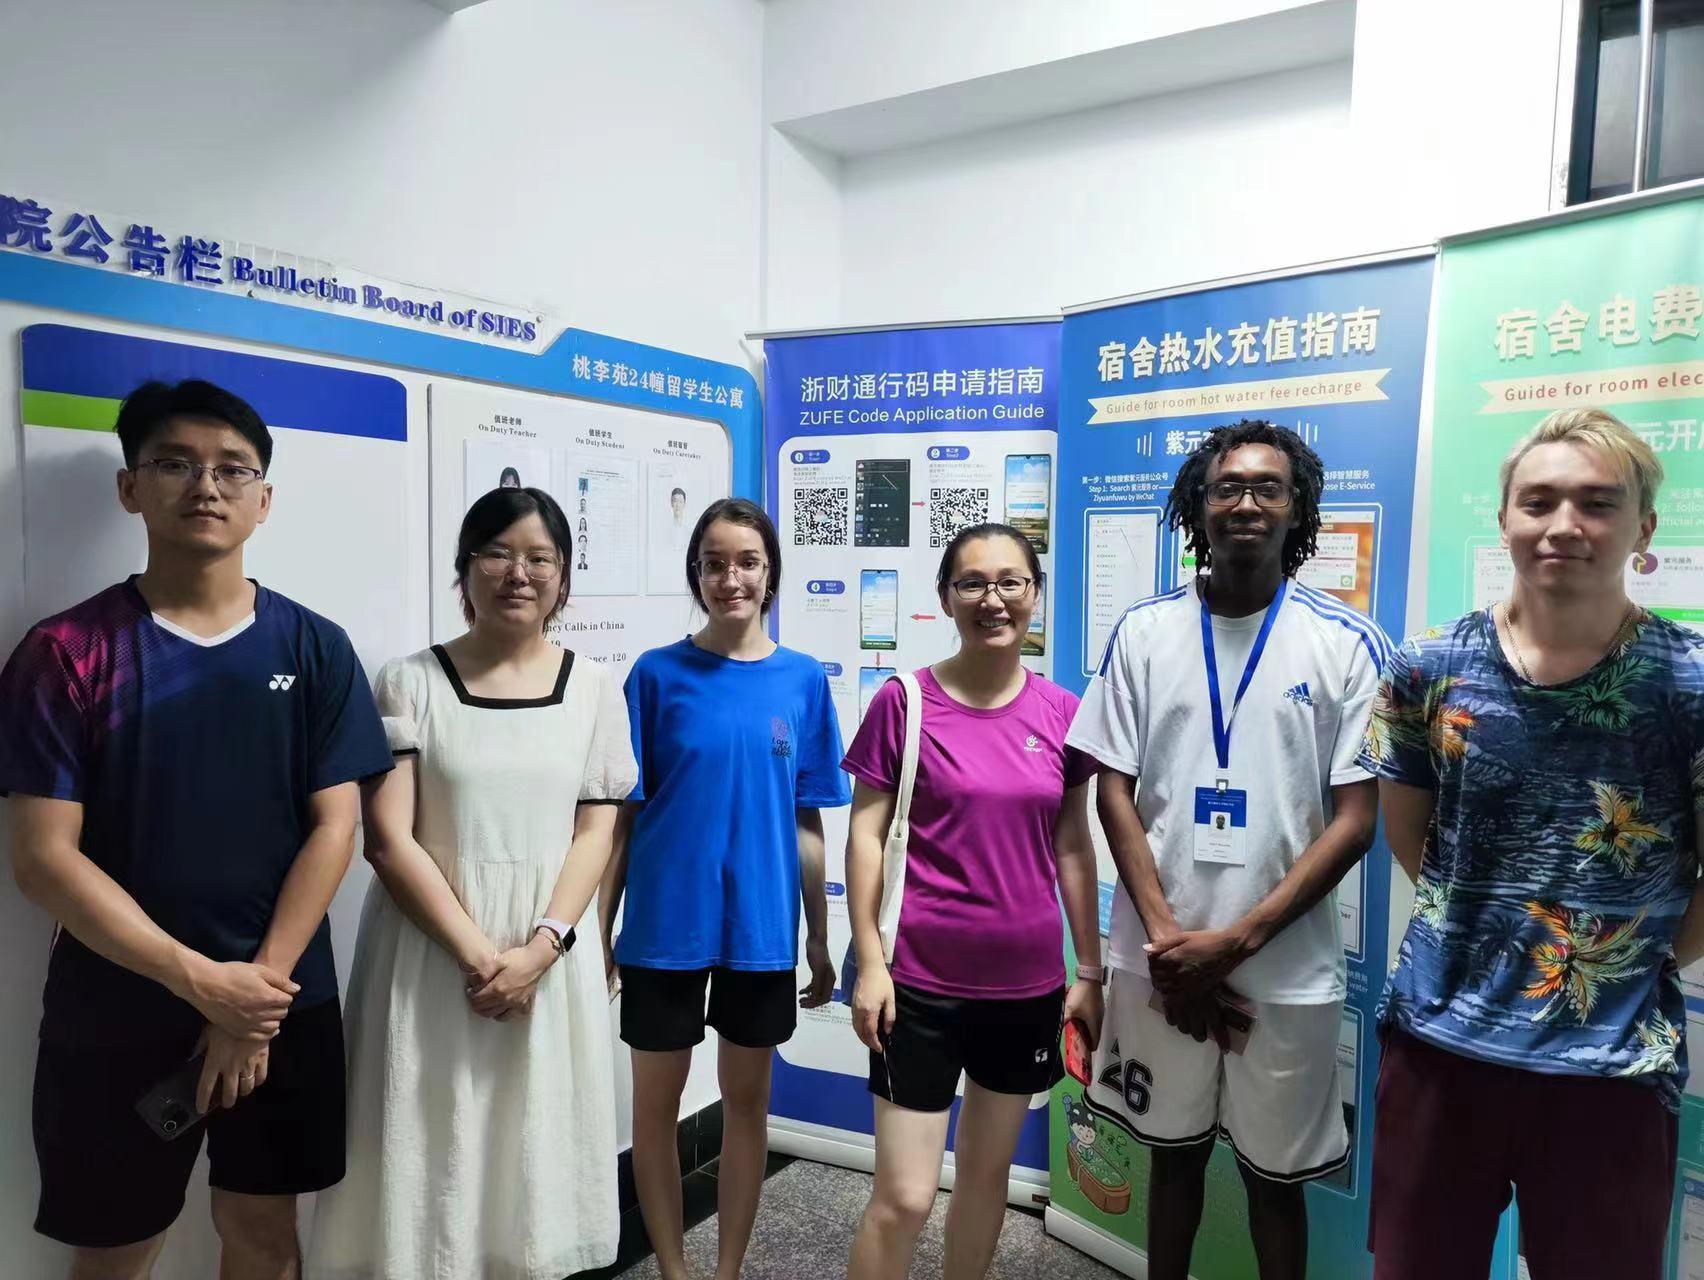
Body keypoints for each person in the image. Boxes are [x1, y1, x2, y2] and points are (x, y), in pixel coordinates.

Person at [0, 379, 392, 1278]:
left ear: (264, 499)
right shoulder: (67, 653)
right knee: (116, 1251)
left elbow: (336, 828)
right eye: (175, 463)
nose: (206, 486)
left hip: (282, 1003)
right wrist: (202, 983)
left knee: (265, 1234)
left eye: (232, 469)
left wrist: (252, 1003)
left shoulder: (314, 647)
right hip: (119, 1010)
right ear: (130, 487)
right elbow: (43, 858)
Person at [1362, 408, 1704, 1280]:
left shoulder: (1690, 680)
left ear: (1644, 528)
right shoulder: (1428, 666)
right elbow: (1412, 836)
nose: (1564, 525)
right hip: (1440, 1048)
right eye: (1539, 501)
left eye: (1597, 503)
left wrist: (1633, 958)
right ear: (1505, 518)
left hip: (1611, 1071)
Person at [1068, 420, 1386, 1280]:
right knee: (1171, 1161)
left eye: (1268, 488)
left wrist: (1232, 946)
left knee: (1274, 1184)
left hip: (1284, 969)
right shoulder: (1143, 632)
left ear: (1298, 507)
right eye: (1227, 487)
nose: (1247, 502)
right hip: (1158, 960)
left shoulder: (1348, 643)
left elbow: (1356, 820)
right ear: (1197, 507)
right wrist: (1174, 949)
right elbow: (1111, 791)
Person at [307, 486, 635, 1278]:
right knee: (429, 1141)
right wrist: (482, 958)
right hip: (432, 953)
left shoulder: (595, 687)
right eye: (497, 554)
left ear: (563, 577)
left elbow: (596, 831)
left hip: (548, 952)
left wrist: (542, 949)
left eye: (540, 559)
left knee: (532, 1147)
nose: (518, 573)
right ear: (465, 569)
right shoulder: (409, 682)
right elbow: (389, 841)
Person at [842, 523, 1105, 1280]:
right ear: (947, 597)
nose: (994, 599)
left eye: (1011, 582)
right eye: (974, 583)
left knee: (986, 1181)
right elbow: (866, 836)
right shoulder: (905, 702)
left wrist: (1089, 971)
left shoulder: (1062, 713)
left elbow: (1073, 846)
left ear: (1035, 594)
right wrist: (871, 963)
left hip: (1025, 990)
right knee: (904, 1197)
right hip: (917, 985)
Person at [600, 498, 849, 1280]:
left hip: (761, 929)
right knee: (655, 1109)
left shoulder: (802, 680)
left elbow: (807, 821)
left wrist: (819, 936)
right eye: (714, 564)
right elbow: (621, 820)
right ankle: (675, 1269)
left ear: (770, 573)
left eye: (747, 562)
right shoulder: (655, 675)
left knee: (747, 1105)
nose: (730, 578)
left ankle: (728, 1269)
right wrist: (600, 931)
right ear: (696, 574)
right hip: (662, 929)